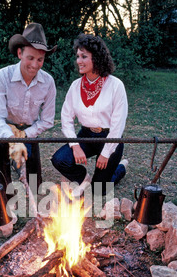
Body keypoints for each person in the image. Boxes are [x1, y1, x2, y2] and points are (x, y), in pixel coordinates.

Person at [51, 33, 128, 197]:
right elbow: (66, 118)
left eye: (84, 56)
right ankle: (85, 178)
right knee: (59, 159)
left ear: (97, 58)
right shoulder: (75, 86)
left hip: (109, 138)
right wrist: (75, 145)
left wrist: (106, 153)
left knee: (97, 192)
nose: (79, 61)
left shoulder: (115, 86)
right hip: (85, 135)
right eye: (78, 56)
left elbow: (118, 125)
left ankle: (119, 169)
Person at [0, 22, 57, 193]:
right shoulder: (2, 76)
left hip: (29, 130)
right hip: (6, 127)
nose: (35, 65)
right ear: (20, 53)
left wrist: (25, 135)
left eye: (40, 59)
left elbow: (48, 121)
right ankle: (2, 186)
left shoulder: (48, 82)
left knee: (35, 185)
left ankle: (20, 164)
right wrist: (12, 139)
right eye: (30, 58)